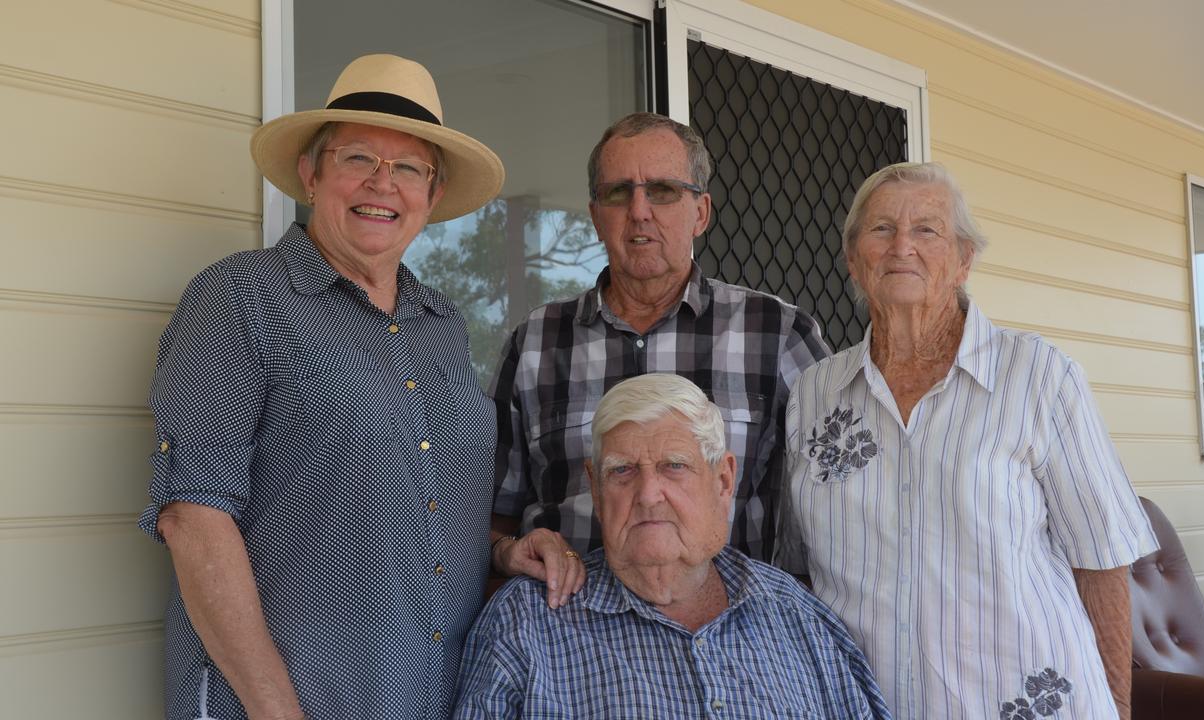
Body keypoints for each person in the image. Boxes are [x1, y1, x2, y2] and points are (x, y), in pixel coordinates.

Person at [137, 54, 514, 719]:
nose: (382, 183)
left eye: (408, 168)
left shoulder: (444, 326)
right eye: (358, 158)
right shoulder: (242, 297)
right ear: (312, 173)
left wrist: (508, 548)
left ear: (432, 194)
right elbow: (193, 517)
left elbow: (432, 505)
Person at [777, 161, 1158, 720]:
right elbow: (802, 569)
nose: (901, 245)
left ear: (962, 261)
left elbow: (1101, 560)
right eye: (881, 229)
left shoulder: (1039, 376)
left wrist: (1121, 707)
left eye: (927, 230)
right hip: (867, 704)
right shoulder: (814, 393)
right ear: (854, 261)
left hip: (1028, 702)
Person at [489, 112, 830, 603]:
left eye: (664, 190)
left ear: (701, 212)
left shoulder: (776, 335)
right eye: (618, 192)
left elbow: (836, 506)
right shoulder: (536, 343)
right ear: (595, 213)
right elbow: (487, 515)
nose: (640, 210)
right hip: (568, 641)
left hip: (731, 642)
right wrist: (508, 551)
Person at [455, 373, 892, 719]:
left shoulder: (796, 617)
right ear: (595, 487)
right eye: (622, 470)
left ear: (723, 482)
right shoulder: (526, 623)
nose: (648, 494)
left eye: (674, 467)